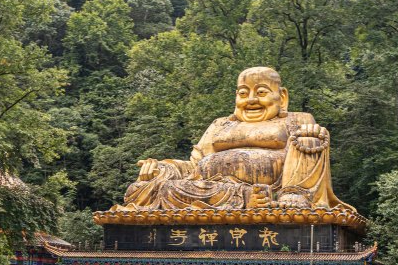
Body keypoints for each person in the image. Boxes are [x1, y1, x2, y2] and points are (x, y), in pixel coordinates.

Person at [116, 66, 352, 211]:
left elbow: (311, 149)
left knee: (310, 138)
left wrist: (311, 135)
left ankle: (292, 195)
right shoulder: (220, 124)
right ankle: (247, 199)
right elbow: (193, 166)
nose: (251, 100)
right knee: (145, 189)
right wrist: (161, 168)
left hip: (274, 188)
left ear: (282, 97)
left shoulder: (297, 119)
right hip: (213, 189)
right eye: (243, 93)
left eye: (261, 92)